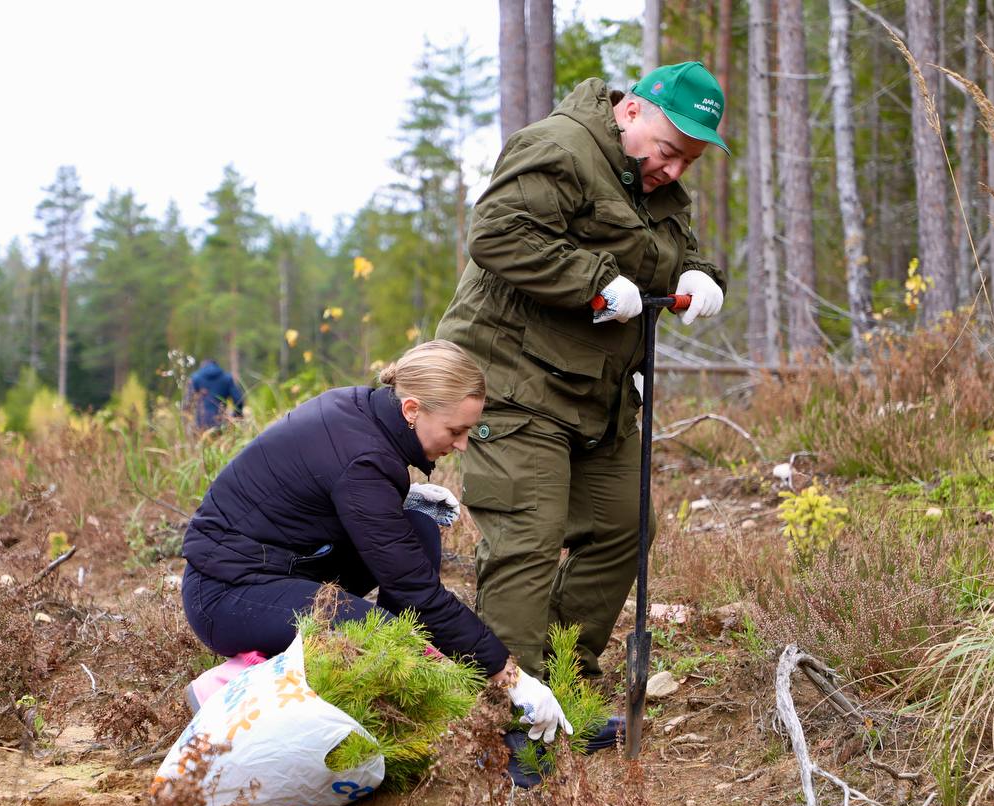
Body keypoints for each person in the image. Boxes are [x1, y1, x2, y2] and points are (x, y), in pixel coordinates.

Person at [435, 62, 729, 680]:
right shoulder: (558, 147)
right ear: (631, 113)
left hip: (600, 394)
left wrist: (698, 277)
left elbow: (666, 252)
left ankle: (563, 682)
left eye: (689, 162)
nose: (673, 170)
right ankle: (509, 709)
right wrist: (593, 283)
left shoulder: (656, 185)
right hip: (514, 381)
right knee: (528, 538)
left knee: (624, 527)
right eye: (669, 151)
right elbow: (495, 234)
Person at [179, 340, 572, 748]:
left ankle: (369, 683)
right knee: (380, 632)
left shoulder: (361, 409)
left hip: (280, 565)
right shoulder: (363, 460)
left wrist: (397, 499)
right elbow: (417, 591)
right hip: (224, 592)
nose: (461, 444)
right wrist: (512, 677)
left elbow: (324, 489)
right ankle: (234, 683)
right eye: (456, 430)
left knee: (417, 529)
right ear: (412, 410)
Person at [189, 358, 245, 428]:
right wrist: (236, 417)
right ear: (216, 366)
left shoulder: (195, 378)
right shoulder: (227, 378)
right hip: (221, 423)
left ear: (202, 366)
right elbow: (239, 400)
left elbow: (188, 404)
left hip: (200, 425)